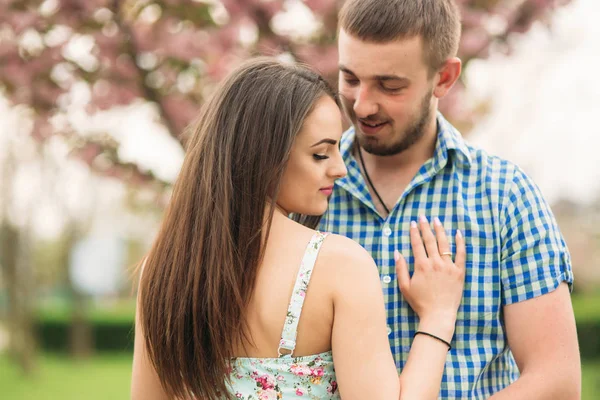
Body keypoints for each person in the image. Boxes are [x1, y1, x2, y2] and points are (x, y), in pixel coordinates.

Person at [130, 57, 467, 400]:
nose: (340, 169)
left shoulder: (162, 274)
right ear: (265, 154)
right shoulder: (338, 266)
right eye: (321, 154)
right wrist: (438, 318)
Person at [318, 0, 581, 398]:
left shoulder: (505, 196)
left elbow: (557, 381)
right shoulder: (302, 191)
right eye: (350, 78)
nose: (362, 104)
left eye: (390, 86)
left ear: (444, 78)